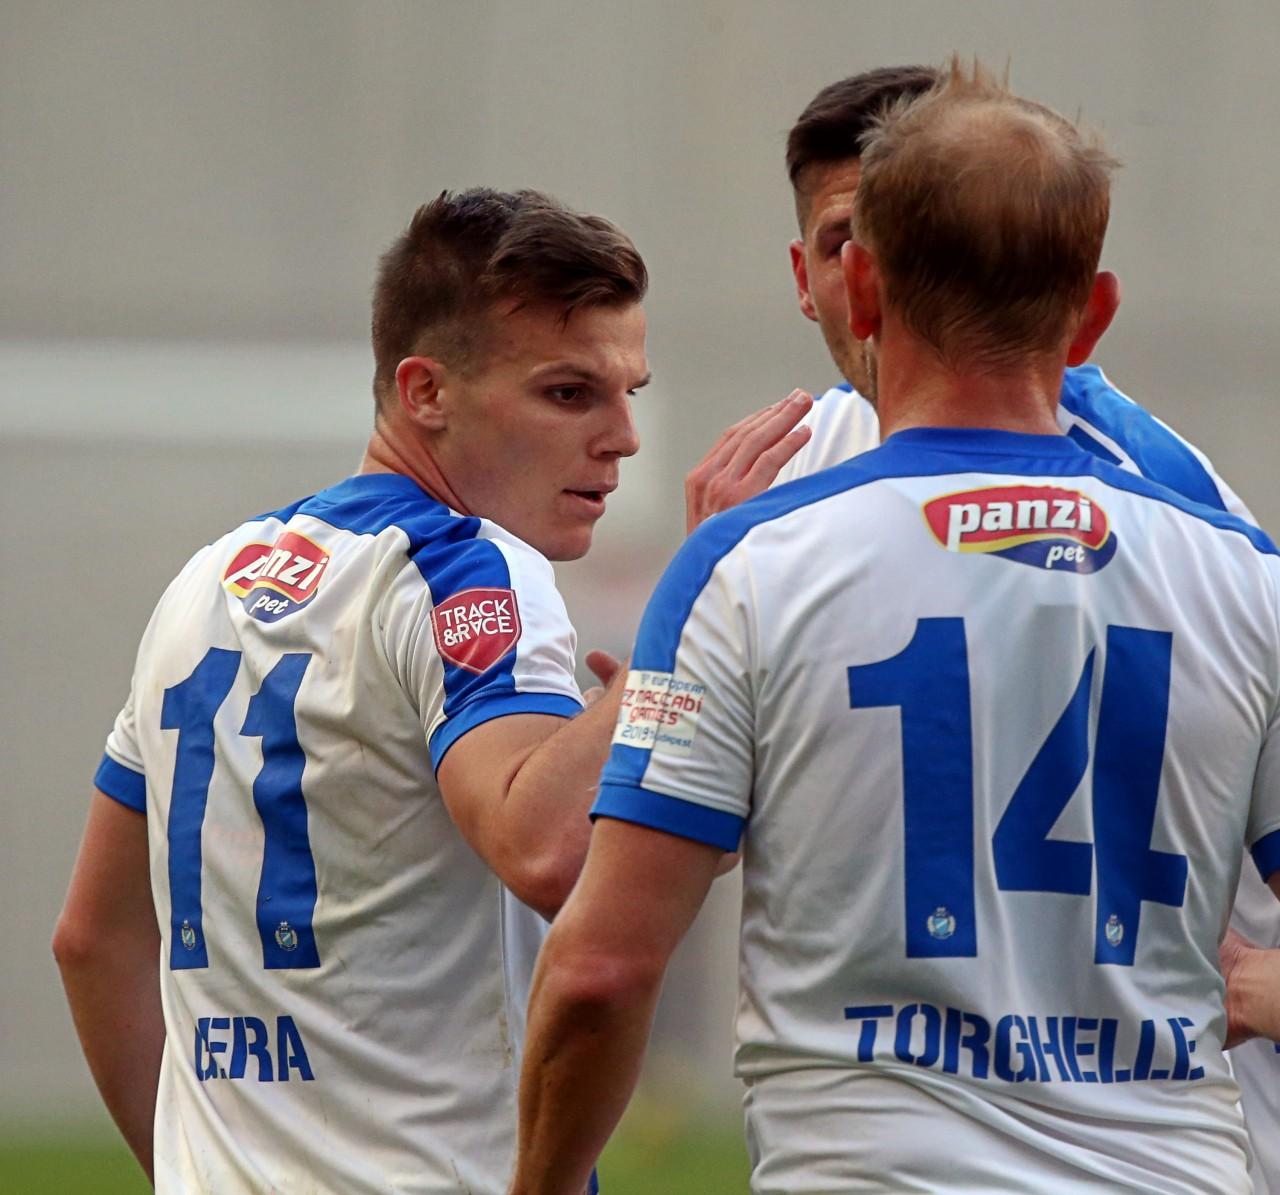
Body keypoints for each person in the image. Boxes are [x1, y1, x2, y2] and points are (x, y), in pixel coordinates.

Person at [510, 62, 1280, 1193]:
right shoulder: (1241, 571)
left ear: (860, 286)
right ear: (1094, 312)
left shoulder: (749, 552)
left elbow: (601, 966)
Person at [52, 188, 650, 1194]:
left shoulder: (209, 577)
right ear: (426, 391)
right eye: (568, 393)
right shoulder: (464, 567)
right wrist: (673, 661)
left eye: (629, 390)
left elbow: (92, 939)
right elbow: (552, 847)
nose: (623, 435)